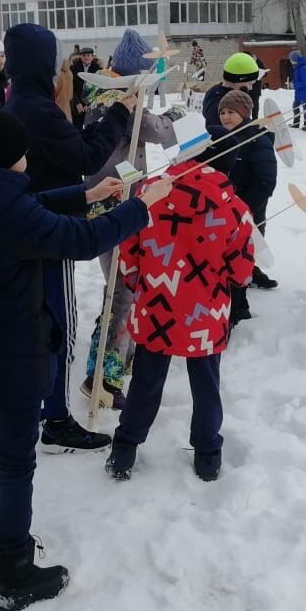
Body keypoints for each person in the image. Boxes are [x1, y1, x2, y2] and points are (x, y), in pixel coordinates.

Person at [0, 107, 167, 611]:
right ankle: (15, 570)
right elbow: (79, 242)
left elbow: (29, 205)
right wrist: (139, 208)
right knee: (15, 463)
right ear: (4, 157)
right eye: (21, 153)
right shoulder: (12, 211)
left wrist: (87, 195)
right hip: (12, 356)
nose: (26, 160)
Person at [3, 23, 135, 452]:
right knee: (61, 324)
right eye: (56, 60)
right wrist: (120, 113)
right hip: (48, 227)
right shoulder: (37, 109)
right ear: (44, 64)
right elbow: (86, 154)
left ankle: (41, 406)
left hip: (32, 219)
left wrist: (84, 192)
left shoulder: (18, 102)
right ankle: (55, 416)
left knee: (40, 322)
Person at [106, 156, 256, 484]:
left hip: (156, 306)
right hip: (206, 312)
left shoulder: (149, 194)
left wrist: (137, 283)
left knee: (145, 380)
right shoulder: (233, 207)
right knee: (206, 383)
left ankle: (125, 447)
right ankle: (207, 454)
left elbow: (129, 253)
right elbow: (242, 271)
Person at [80, 30, 183, 409]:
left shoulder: (101, 94)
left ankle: (116, 357)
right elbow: (160, 132)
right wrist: (172, 116)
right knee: (122, 290)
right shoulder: (120, 102)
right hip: (116, 202)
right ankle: (102, 376)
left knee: (120, 287)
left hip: (109, 199)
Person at [217, 88, 278, 315]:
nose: (225, 117)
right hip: (225, 211)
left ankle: (239, 308)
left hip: (248, 211)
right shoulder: (223, 138)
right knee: (229, 255)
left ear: (245, 113)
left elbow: (266, 180)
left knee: (241, 254)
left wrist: (245, 210)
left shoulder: (257, 140)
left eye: (231, 112)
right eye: (222, 112)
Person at [201, 52, 261, 131]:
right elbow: (231, 136)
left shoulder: (219, 93)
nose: (250, 88)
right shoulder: (221, 103)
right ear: (237, 80)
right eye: (249, 83)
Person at [70, 46, 101, 129]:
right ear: (80, 56)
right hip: (77, 106)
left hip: (92, 105)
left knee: (91, 130)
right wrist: (77, 102)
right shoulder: (73, 68)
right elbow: (71, 87)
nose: (86, 57)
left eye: (88, 55)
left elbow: (99, 88)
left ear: (92, 57)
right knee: (77, 130)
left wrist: (89, 103)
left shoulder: (98, 69)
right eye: (84, 55)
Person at [290, 48, 306, 130]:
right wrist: (293, 82)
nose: (291, 61)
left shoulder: (304, 68)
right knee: (295, 106)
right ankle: (296, 123)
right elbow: (298, 78)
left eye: (291, 59)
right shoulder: (298, 67)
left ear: (295, 59)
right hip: (299, 91)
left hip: (305, 91)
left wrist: (295, 85)